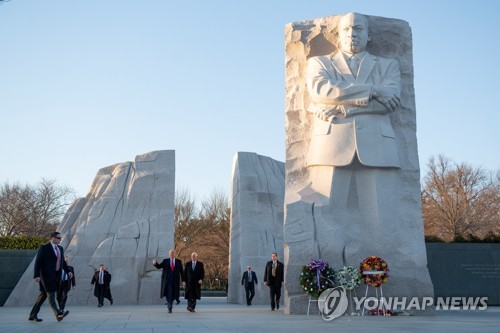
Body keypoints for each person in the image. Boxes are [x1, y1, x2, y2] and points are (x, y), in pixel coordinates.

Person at [305, 12, 401, 203]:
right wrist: (374, 90)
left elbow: (389, 102)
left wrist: (343, 108)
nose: (352, 34)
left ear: (369, 35)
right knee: (326, 211)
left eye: (358, 29)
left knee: (382, 215)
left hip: (379, 146)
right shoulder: (319, 63)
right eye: (346, 29)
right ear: (338, 35)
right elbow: (321, 91)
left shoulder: (388, 65)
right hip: (331, 143)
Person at [28, 231, 71, 322]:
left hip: (56, 276)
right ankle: (59, 313)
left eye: (60, 238)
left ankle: (32, 315)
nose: (60, 240)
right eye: (59, 238)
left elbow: (63, 262)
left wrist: (68, 271)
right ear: (53, 238)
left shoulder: (60, 248)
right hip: (46, 276)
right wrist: (36, 275)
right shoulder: (44, 248)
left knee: (43, 295)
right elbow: (38, 262)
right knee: (51, 294)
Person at [152, 249, 184, 313]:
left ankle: (171, 303)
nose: (172, 254)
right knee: (169, 293)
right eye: (171, 253)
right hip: (167, 281)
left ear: (175, 254)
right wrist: (155, 264)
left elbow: (182, 272)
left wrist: (183, 280)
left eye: (173, 253)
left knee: (174, 294)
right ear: (169, 254)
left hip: (175, 281)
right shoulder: (165, 261)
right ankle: (170, 307)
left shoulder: (178, 262)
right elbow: (159, 266)